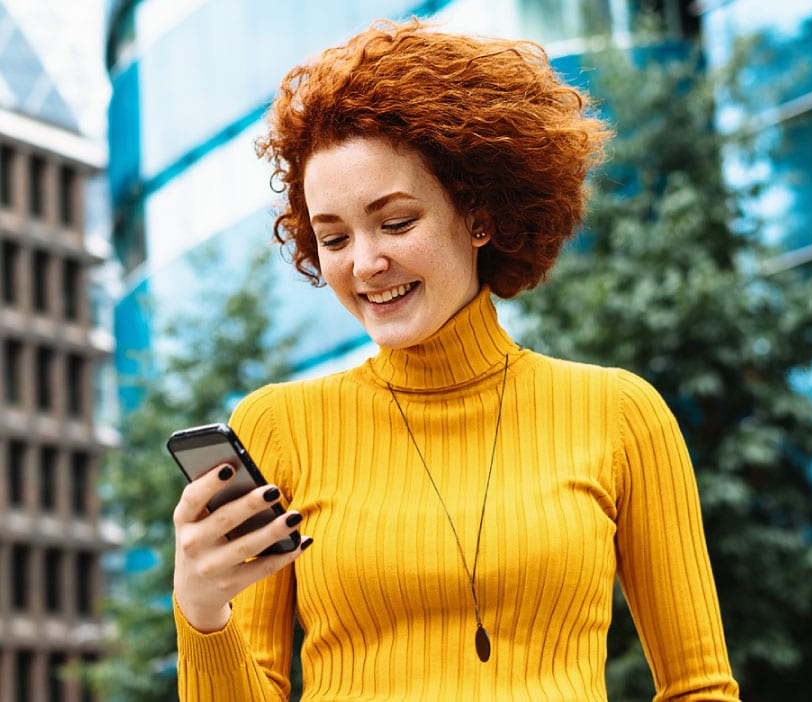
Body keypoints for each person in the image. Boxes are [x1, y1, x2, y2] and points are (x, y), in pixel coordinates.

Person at [171, 17, 741, 701]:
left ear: (478, 214)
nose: (366, 263)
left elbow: (699, 688)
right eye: (334, 237)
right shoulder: (279, 426)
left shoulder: (620, 415)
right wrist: (203, 612)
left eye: (396, 222)